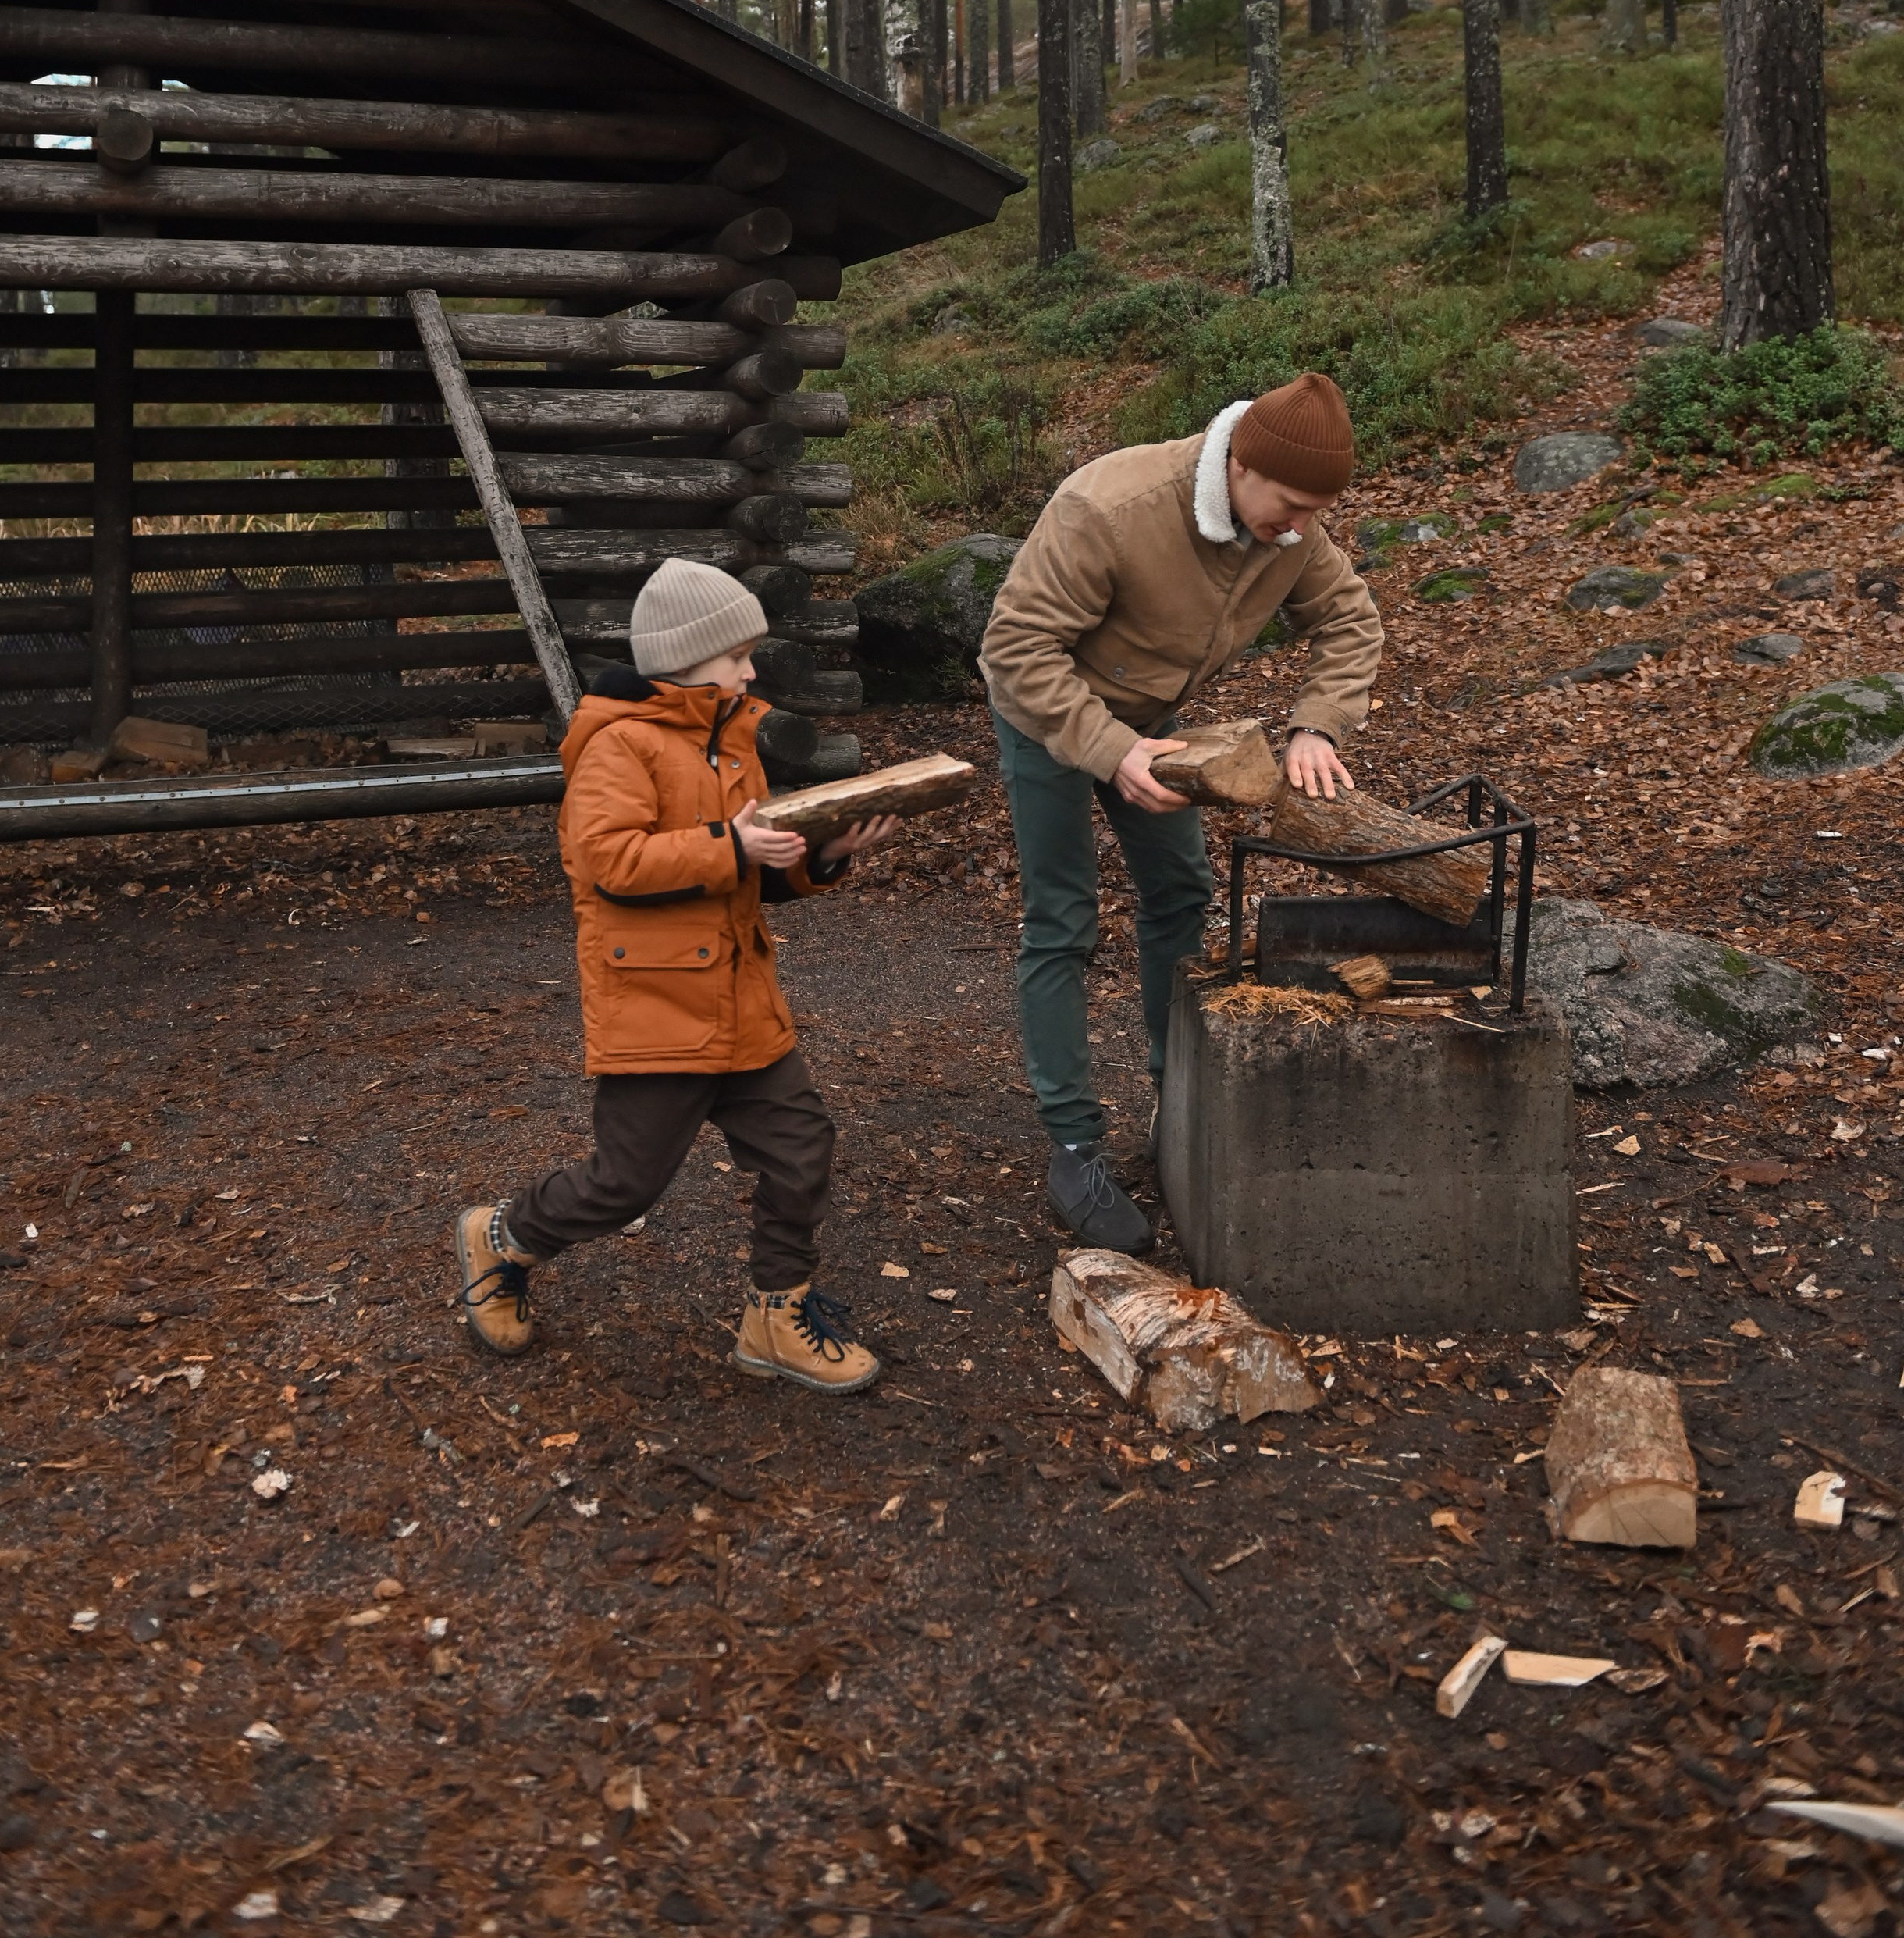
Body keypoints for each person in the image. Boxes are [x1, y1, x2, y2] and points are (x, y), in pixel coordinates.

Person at [454, 557, 896, 1394]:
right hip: (658, 1008)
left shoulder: (729, 735)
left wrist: (822, 857)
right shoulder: (617, 743)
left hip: (744, 1003)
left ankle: (776, 1315)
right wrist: (730, 844)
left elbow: (749, 872)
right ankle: (504, 1233)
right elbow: (608, 860)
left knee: (801, 1149)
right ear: (690, 657)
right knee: (623, 1184)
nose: (751, 670)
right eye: (738, 654)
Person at [978, 371, 1382, 1256]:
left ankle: (1177, 1098)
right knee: (1063, 916)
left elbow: (1349, 618)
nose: (1303, 527)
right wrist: (1109, 750)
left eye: (1319, 509)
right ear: (1238, 465)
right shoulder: (1111, 505)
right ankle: (1075, 1141)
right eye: (1290, 505)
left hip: (1155, 722)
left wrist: (1317, 722)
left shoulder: (1289, 529)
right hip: (1047, 711)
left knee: (1180, 892)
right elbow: (1012, 645)